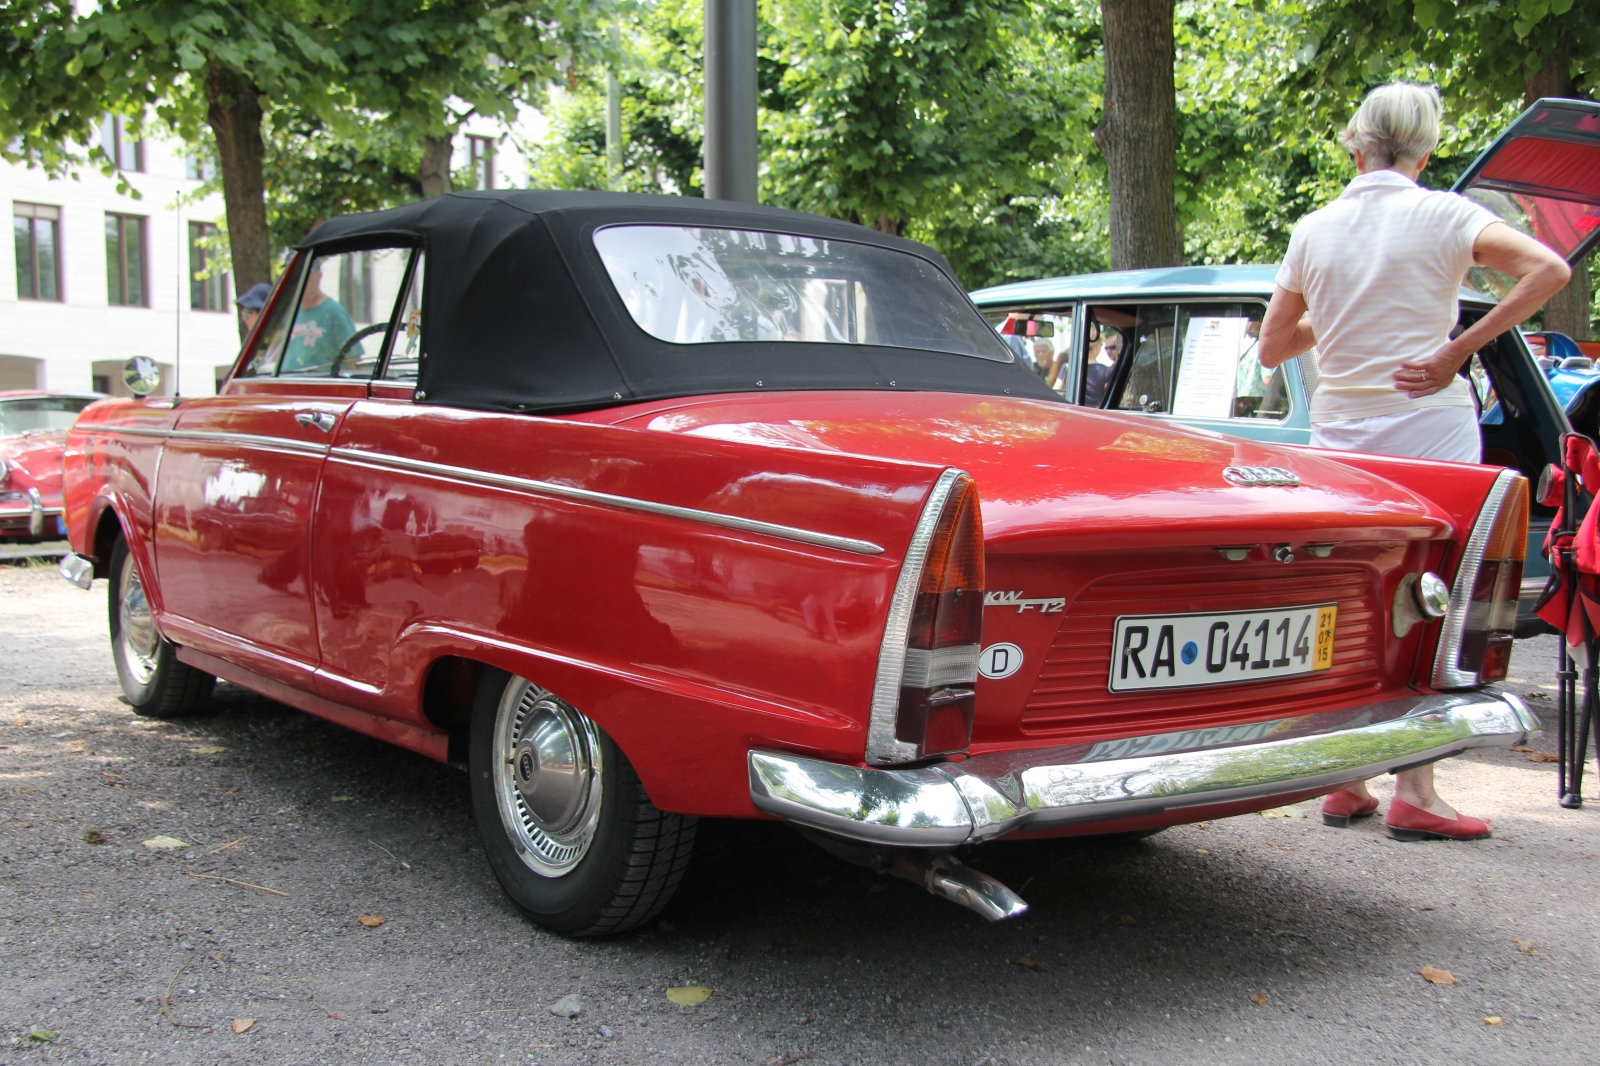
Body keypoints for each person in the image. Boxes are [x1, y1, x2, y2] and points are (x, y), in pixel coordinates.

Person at [1258, 82, 1571, 841]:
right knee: (1436, 597)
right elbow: (1550, 271)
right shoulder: (1445, 215)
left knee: (1345, 595)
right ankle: (1419, 791)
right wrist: (1456, 350)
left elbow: (1272, 347)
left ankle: (1346, 781)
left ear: (1354, 144)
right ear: (1425, 152)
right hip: (1429, 430)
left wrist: (1334, 324)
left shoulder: (1315, 228)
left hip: (1340, 431)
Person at [280, 262, 356, 373]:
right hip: (287, 382)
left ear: (318, 276)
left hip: (320, 384)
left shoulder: (334, 312)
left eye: (305, 274)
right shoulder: (290, 312)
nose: (299, 280)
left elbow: (352, 359)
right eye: (294, 275)